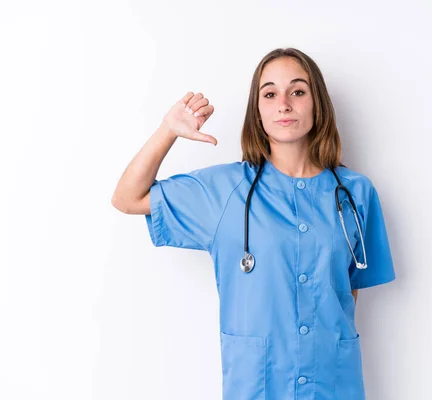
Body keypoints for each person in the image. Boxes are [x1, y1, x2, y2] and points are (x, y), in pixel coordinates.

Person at [112, 47, 396, 400]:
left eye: (298, 91)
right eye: (270, 94)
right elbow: (127, 198)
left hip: (334, 385)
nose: (284, 104)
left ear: (317, 103)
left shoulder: (355, 192)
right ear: (257, 111)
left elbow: (347, 296)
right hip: (258, 387)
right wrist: (167, 131)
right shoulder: (224, 192)